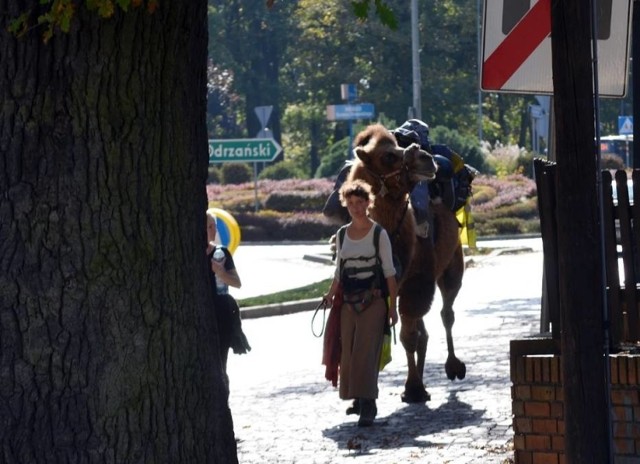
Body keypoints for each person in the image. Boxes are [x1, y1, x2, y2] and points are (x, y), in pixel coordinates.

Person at [323, 179, 399, 427]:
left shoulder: (379, 234)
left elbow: (389, 274)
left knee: (366, 354)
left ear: (368, 203)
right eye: (351, 203)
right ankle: (357, 398)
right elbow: (338, 272)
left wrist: (393, 307)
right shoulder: (342, 234)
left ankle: (368, 405)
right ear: (346, 204)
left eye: (360, 202)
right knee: (349, 353)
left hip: (373, 301)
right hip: (347, 302)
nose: (356, 207)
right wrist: (330, 294)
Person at [206, 210, 246, 381]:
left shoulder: (220, 253)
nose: (213, 230)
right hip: (199, 315)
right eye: (209, 227)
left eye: (214, 226)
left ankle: (222, 400)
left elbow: (237, 282)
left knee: (220, 365)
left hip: (220, 313)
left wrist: (221, 273)